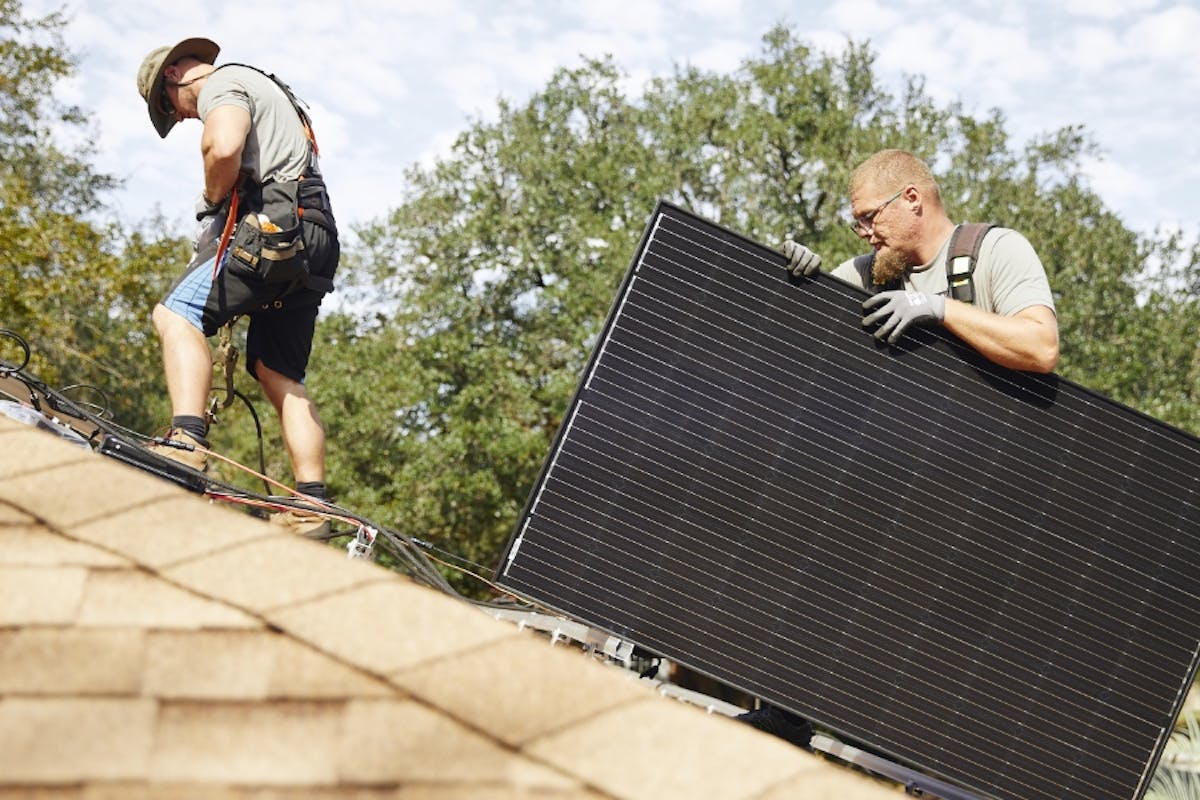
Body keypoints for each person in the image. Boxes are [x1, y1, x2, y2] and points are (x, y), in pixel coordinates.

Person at [135, 37, 340, 537]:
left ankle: (186, 441)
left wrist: (212, 197)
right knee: (277, 370)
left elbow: (222, 145)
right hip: (314, 237)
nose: (182, 118)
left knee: (175, 314)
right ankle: (312, 502)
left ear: (173, 77)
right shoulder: (272, 92)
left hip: (271, 229)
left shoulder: (223, 83)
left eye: (171, 109)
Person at [781, 148, 1059, 374]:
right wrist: (792, 276)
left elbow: (1042, 349)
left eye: (869, 217)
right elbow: (793, 331)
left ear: (912, 199)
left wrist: (937, 307)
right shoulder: (867, 272)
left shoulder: (995, 249)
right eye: (857, 224)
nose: (864, 233)